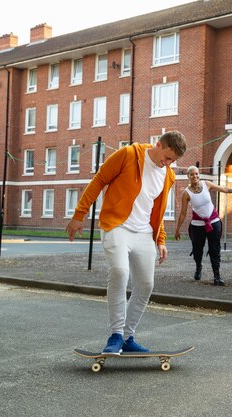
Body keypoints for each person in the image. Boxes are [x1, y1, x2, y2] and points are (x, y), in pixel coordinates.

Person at [66, 131, 187, 355]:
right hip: (117, 226)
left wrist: (160, 239)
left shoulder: (167, 175)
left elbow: (156, 210)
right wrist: (78, 215)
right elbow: (99, 180)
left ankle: (128, 337)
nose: (168, 164)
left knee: (145, 285)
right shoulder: (128, 154)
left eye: (173, 161)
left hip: (144, 233)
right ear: (158, 144)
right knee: (120, 272)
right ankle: (116, 334)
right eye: (167, 157)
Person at [174, 165, 232, 286]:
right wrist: (177, 229)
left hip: (213, 222)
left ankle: (217, 276)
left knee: (214, 249)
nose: (195, 176)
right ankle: (198, 266)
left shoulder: (207, 184)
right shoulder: (186, 193)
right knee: (197, 250)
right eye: (192, 174)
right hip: (197, 225)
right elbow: (183, 213)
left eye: (196, 174)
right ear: (188, 177)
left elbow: (223, 189)